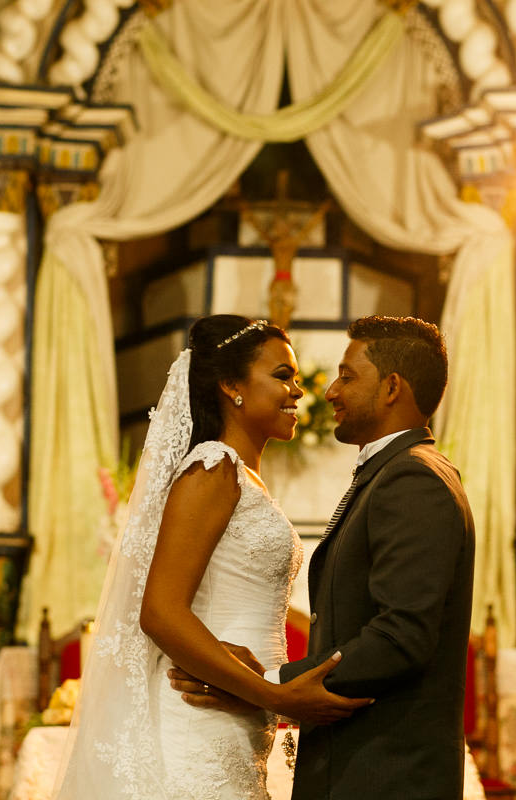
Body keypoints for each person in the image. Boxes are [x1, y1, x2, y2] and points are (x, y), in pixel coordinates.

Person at [51, 315, 369, 800]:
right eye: (282, 376)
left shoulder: (243, 478)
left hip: (236, 717)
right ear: (230, 385)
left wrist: (263, 692)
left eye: (295, 378)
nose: (297, 391)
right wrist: (274, 695)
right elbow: (160, 612)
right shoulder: (213, 468)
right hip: (200, 726)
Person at [173, 315, 477, 799]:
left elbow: (400, 635)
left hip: (387, 776)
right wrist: (270, 691)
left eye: (347, 376)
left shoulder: (412, 478)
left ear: (392, 387)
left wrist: (271, 686)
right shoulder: (394, 472)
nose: (329, 391)